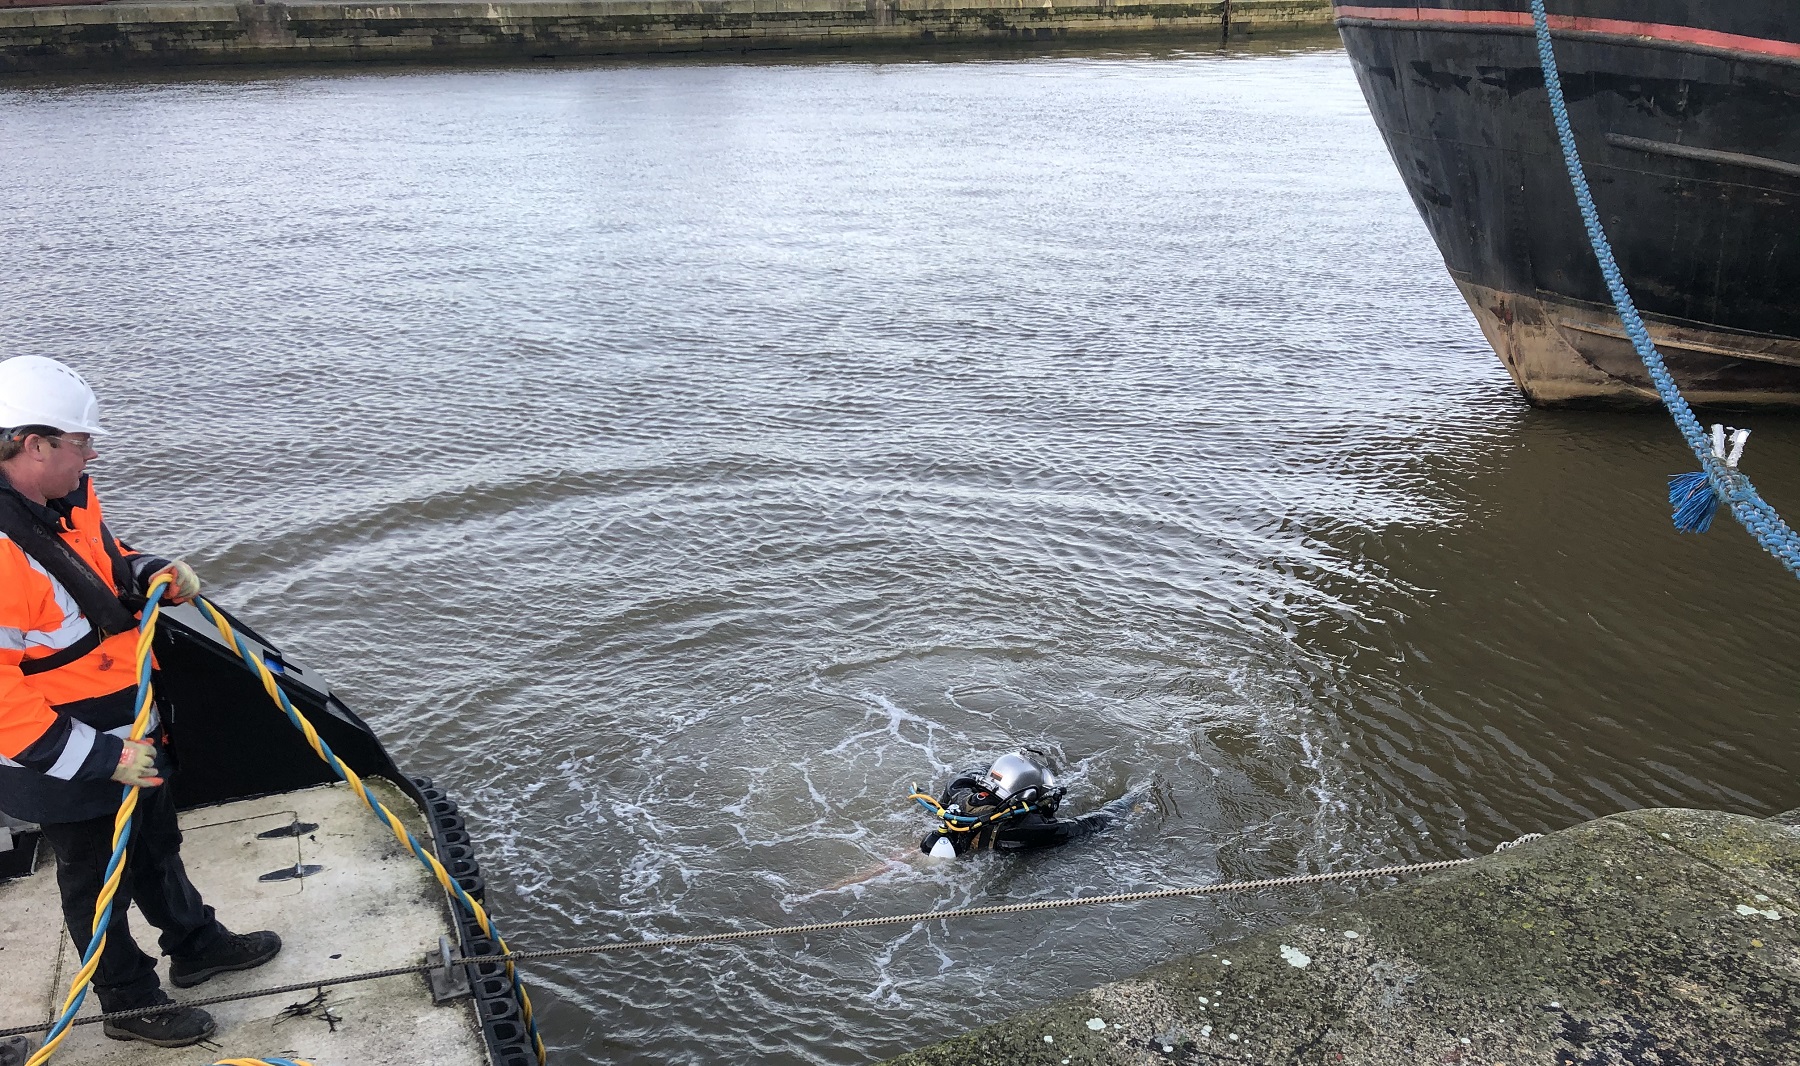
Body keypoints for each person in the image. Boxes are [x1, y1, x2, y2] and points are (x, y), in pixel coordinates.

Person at [0, 355, 281, 1049]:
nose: (91, 452)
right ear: (33, 445)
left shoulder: (61, 503)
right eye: (79, 441)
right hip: (62, 752)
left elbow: (95, 564)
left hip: (126, 725)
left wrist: (147, 569)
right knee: (96, 878)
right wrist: (100, 758)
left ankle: (195, 943)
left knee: (157, 844)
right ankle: (127, 1001)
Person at [914, 751, 1118, 857]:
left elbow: (968, 774)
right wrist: (1128, 804)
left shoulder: (958, 793)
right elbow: (1085, 826)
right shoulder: (1024, 829)